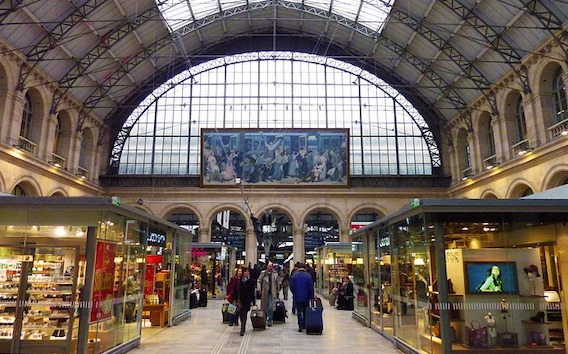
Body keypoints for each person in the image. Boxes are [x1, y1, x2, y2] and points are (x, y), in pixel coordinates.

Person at [289, 263, 314, 332]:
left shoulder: (294, 276)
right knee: (305, 311)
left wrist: (294, 293)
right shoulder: (308, 276)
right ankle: (305, 324)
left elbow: (291, 287)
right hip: (306, 297)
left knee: (299, 311)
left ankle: (300, 325)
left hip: (297, 296)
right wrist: (311, 297)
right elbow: (311, 287)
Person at [235, 267, 256, 336]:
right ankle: (242, 325)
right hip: (240, 300)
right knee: (241, 314)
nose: (247, 273)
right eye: (246, 272)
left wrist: (253, 300)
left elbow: (252, 291)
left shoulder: (251, 281)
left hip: (247, 300)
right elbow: (237, 290)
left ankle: (242, 328)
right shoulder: (239, 280)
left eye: (248, 272)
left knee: (244, 313)